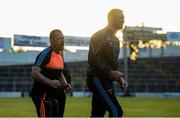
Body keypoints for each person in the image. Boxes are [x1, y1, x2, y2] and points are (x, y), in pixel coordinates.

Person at [87, 8, 128, 117]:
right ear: (110, 19)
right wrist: (110, 72)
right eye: (120, 18)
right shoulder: (99, 36)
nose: (123, 20)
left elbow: (112, 62)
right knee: (116, 112)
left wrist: (120, 78)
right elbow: (92, 58)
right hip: (97, 78)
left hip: (106, 80)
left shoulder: (115, 39)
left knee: (97, 114)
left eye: (123, 18)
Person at [31, 29, 71, 117]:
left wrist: (65, 85)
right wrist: (50, 82)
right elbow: (34, 73)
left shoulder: (59, 56)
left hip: (53, 95)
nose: (63, 41)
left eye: (63, 38)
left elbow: (60, 74)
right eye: (59, 38)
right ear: (52, 40)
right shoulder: (45, 54)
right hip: (41, 94)